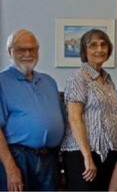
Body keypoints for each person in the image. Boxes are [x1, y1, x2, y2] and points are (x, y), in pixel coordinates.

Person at [0, 29, 65, 191]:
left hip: (49, 158)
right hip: (18, 157)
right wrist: (10, 168)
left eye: (33, 49)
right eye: (22, 49)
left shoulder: (49, 82)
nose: (28, 53)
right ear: (10, 51)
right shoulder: (2, 81)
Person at [60, 29, 117, 191]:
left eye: (103, 45)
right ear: (84, 50)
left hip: (108, 153)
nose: (99, 49)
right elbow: (74, 118)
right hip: (82, 154)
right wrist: (87, 157)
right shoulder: (78, 77)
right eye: (93, 45)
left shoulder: (108, 80)